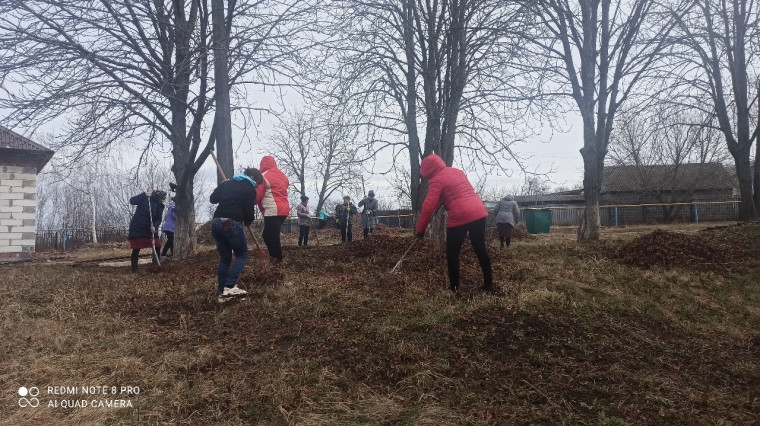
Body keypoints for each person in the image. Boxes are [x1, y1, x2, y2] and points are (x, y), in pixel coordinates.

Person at [415, 154, 494, 295]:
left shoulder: (436, 180)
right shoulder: (457, 171)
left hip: (461, 215)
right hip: (479, 211)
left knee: (452, 252)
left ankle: (455, 288)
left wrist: (420, 231)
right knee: (480, 248)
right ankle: (489, 283)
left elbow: (428, 207)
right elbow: (458, 192)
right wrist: (445, 201)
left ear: (428, 170)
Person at [209, 167, 264, 303]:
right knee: (242, 254)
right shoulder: (249, 189)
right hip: (231, 222)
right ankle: (230, 286)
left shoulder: (227, 184)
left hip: (216, 222)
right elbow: (249, 213)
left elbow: (213, 199)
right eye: (257, 184)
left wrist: (222, 186)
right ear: (253, 179)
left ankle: (223, 294)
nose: (256, 186)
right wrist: (247, 221)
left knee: (225, 258)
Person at [258, 156, 289, 262]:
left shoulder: (263, 176)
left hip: (272, 210)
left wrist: (248, 202)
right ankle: (274, 257)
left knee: (271, 236)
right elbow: (285, 186)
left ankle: (277, 259)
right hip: (284, 210)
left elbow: (258, 194)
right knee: (269, 235)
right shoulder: (282, 175)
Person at [128, 189, 167, 273]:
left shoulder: (161, 206)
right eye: (162, 198)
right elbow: (132, 201)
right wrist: (144, 194)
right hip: (138, 227)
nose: (163, 200)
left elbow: (158, 219)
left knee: (157, 244)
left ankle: (156, 264)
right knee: (136, 248)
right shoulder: (145, 199)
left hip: (150, 228)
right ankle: (134, 269)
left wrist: (155, 226)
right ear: (158, 197)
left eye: (164, 199)